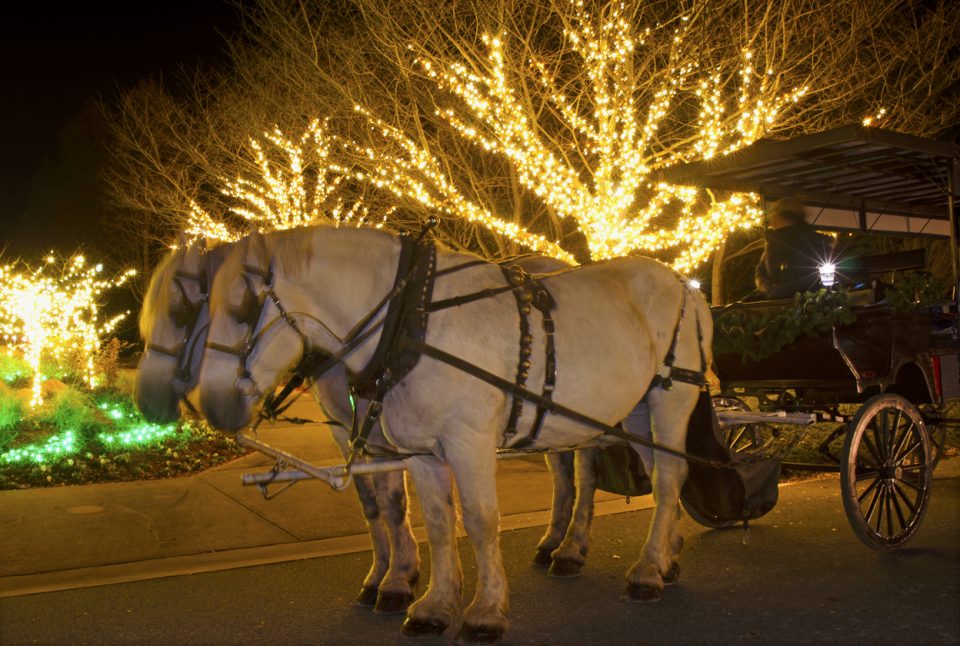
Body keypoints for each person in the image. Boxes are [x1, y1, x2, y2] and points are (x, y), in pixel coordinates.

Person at [755, 199, 835, 299]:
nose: (771, 220)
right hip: (789, 300)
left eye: (774, 215)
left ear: (783, 217)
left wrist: (777, 290)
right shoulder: (772, 243)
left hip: (802, 302)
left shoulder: (811, 242)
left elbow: (814, 275)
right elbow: (761, 272)